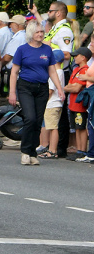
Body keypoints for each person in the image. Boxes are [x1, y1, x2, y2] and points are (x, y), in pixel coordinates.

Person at [9, 20, 64, 166]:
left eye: (41, 32)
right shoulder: (22, 49)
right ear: (31, 34)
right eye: (37, 32)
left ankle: (32, 152)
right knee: (30, 118)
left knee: (38, 121)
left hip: (42, 88)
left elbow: (52, 71)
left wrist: (59, 88)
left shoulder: (47, 50)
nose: (40, 34)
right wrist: (12, 92)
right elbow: (14, 72)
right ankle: (25, 151)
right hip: (25, 87)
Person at [66, 46, 93, 158]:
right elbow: (69, 86)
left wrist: (69, 87)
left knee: (81, 127)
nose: (74, 58)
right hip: (72, 104)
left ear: (83, 58)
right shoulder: (76, 70)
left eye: (76, 56)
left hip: (80, 104)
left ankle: (82, 150)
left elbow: (76, 88)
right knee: (76, 128)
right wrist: (69, 87)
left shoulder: (85, 70)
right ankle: (78, 150)